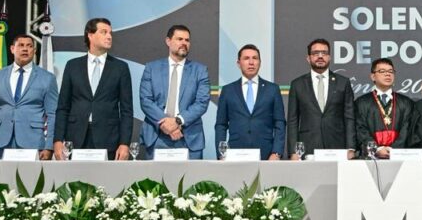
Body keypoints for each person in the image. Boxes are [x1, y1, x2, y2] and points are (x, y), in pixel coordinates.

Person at [53, 18, 133, 161]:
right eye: (104, 32)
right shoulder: (72, 66)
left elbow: (126, 110)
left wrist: (124, 143)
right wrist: (58, 140)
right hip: (76, 138)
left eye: (110, 33)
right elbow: (63, 107)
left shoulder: (120, 68)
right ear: (90, 35)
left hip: (109, 139)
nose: (109, 36)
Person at [0, 34, 59, 159]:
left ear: (34, 50)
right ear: (12, 49)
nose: (25, 49)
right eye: (21, 45)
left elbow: (52, 114)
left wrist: (49, 146)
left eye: (29, 46)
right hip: (1, 142)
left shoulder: (47, 78)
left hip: (33, 142)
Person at [139, 25, 210, 159]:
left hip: (188, 138)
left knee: (191, 174)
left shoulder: (200, 70)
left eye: (187, 40)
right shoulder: (151, 68)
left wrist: (177, 121)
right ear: (168, 41)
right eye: (179, 39)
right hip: (157, 136)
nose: (184, 43)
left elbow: (202, 103)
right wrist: (166, 124)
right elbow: (145, 100)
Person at [286, 38, 355, 159]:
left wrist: (351, 148)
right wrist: (293, 151)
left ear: (329, 57)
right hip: (307, 146)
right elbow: (293, 120)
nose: (320, 56)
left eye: (324, 53)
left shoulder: (343, 82)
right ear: (308, 58)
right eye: (315, 53)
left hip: (337, 146)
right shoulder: (297, 84)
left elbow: (349, 118)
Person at [215, 44, 285, 160]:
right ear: (238, 63)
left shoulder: (272, 89)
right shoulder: (227, 90)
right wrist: (221, 154)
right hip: (234, 154)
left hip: (266, 155)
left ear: (260, 63)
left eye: (255, 58)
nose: (251, 62)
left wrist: (276, 153)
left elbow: (280, 123)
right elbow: (221, 125)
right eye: (246, 58)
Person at [354, 57, 419, 158]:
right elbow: (360, 130)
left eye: (391, 71)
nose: (388, 74)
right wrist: (376, 149)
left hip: (400, 157)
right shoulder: (361, 102)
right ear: (373, 76)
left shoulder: (406, 102)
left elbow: (407, 129)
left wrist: (393, 150)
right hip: (370, 159)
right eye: (382, 71)